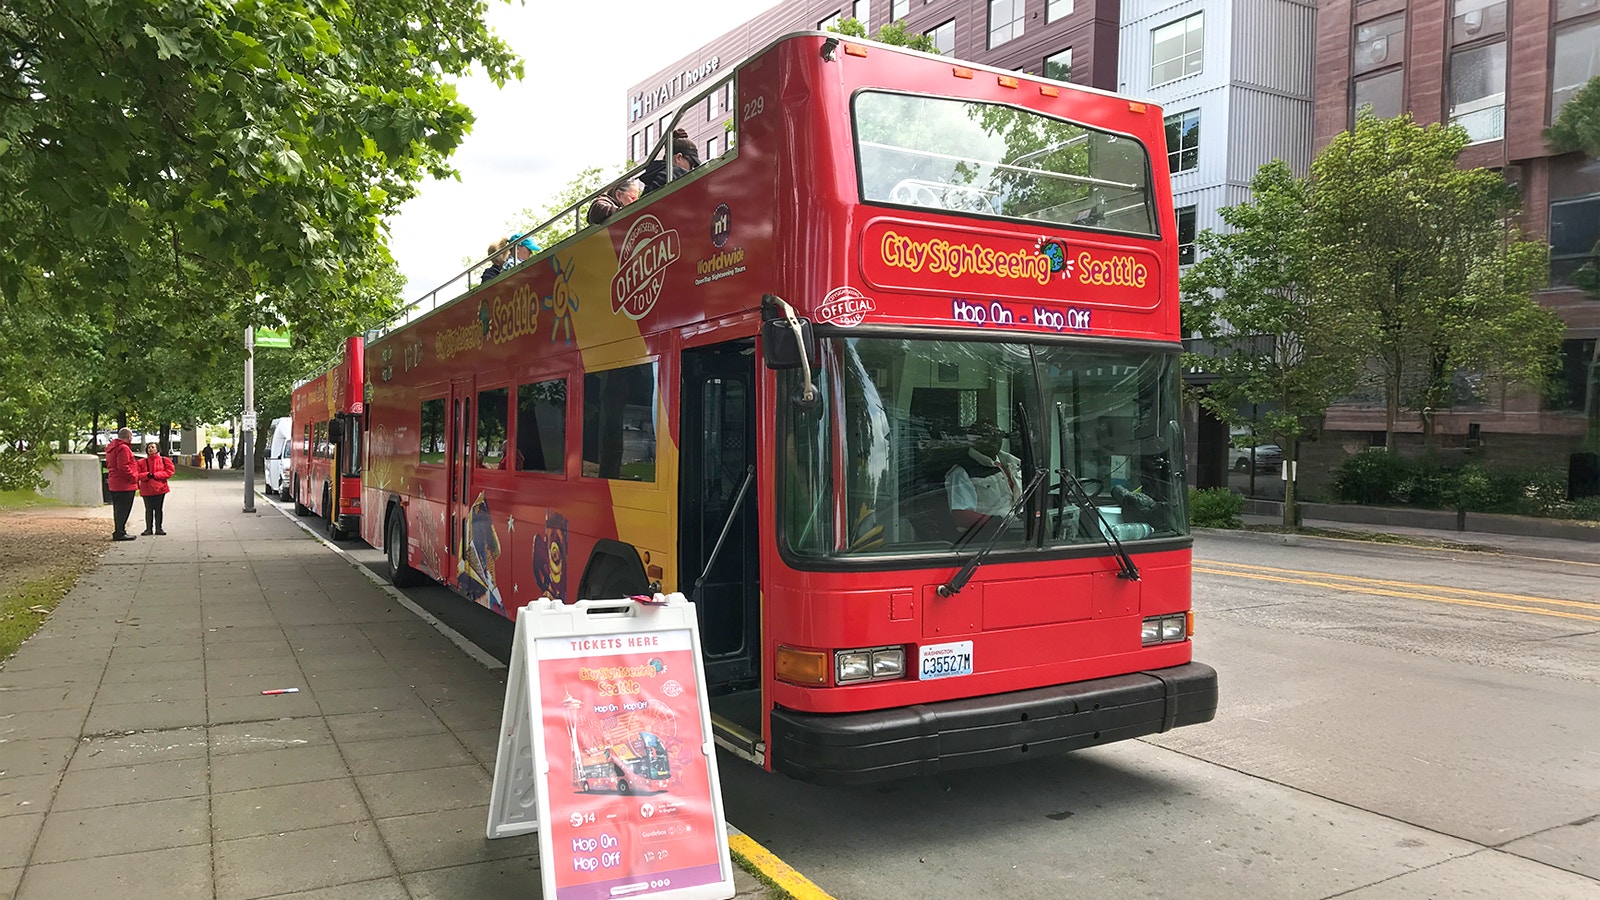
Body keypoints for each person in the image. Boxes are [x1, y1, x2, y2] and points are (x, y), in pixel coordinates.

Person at [945, 420, 1023, 531]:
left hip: (1019, 527)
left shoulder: (1012, 464)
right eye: (986, 437)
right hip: (989, 536)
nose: (993, 441)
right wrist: (997, 523)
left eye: (997, 435)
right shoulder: (962, 472)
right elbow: (961, 516)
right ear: (973, 439)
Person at [105, 428, 142, 541]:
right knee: (124, 509)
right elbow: (123, 467)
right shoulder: (123, 448)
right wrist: (133, 477)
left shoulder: (112, 448)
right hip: (124, 484)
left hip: (114, 482)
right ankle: (120, 532)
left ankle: (119, 530)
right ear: (129, 437)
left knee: (118, 508)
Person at [641, 129, 700, 194]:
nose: (691, 169)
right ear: (678, 158)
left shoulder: (655, 177)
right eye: (691, 165)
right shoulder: (674, 173)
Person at [137, 442, 174, 535]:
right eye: (149, 447)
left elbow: (169, 472)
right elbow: (137, 475)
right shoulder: (141, 462)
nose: (150, 449)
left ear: (157, 449)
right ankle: (148, 529)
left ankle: (159, 528)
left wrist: (156, 475)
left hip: (160, 488)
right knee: (148, 509)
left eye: (153, 447)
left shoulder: (164, 460)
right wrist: (147, 475)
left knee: (158, 509)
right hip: (146, 489)